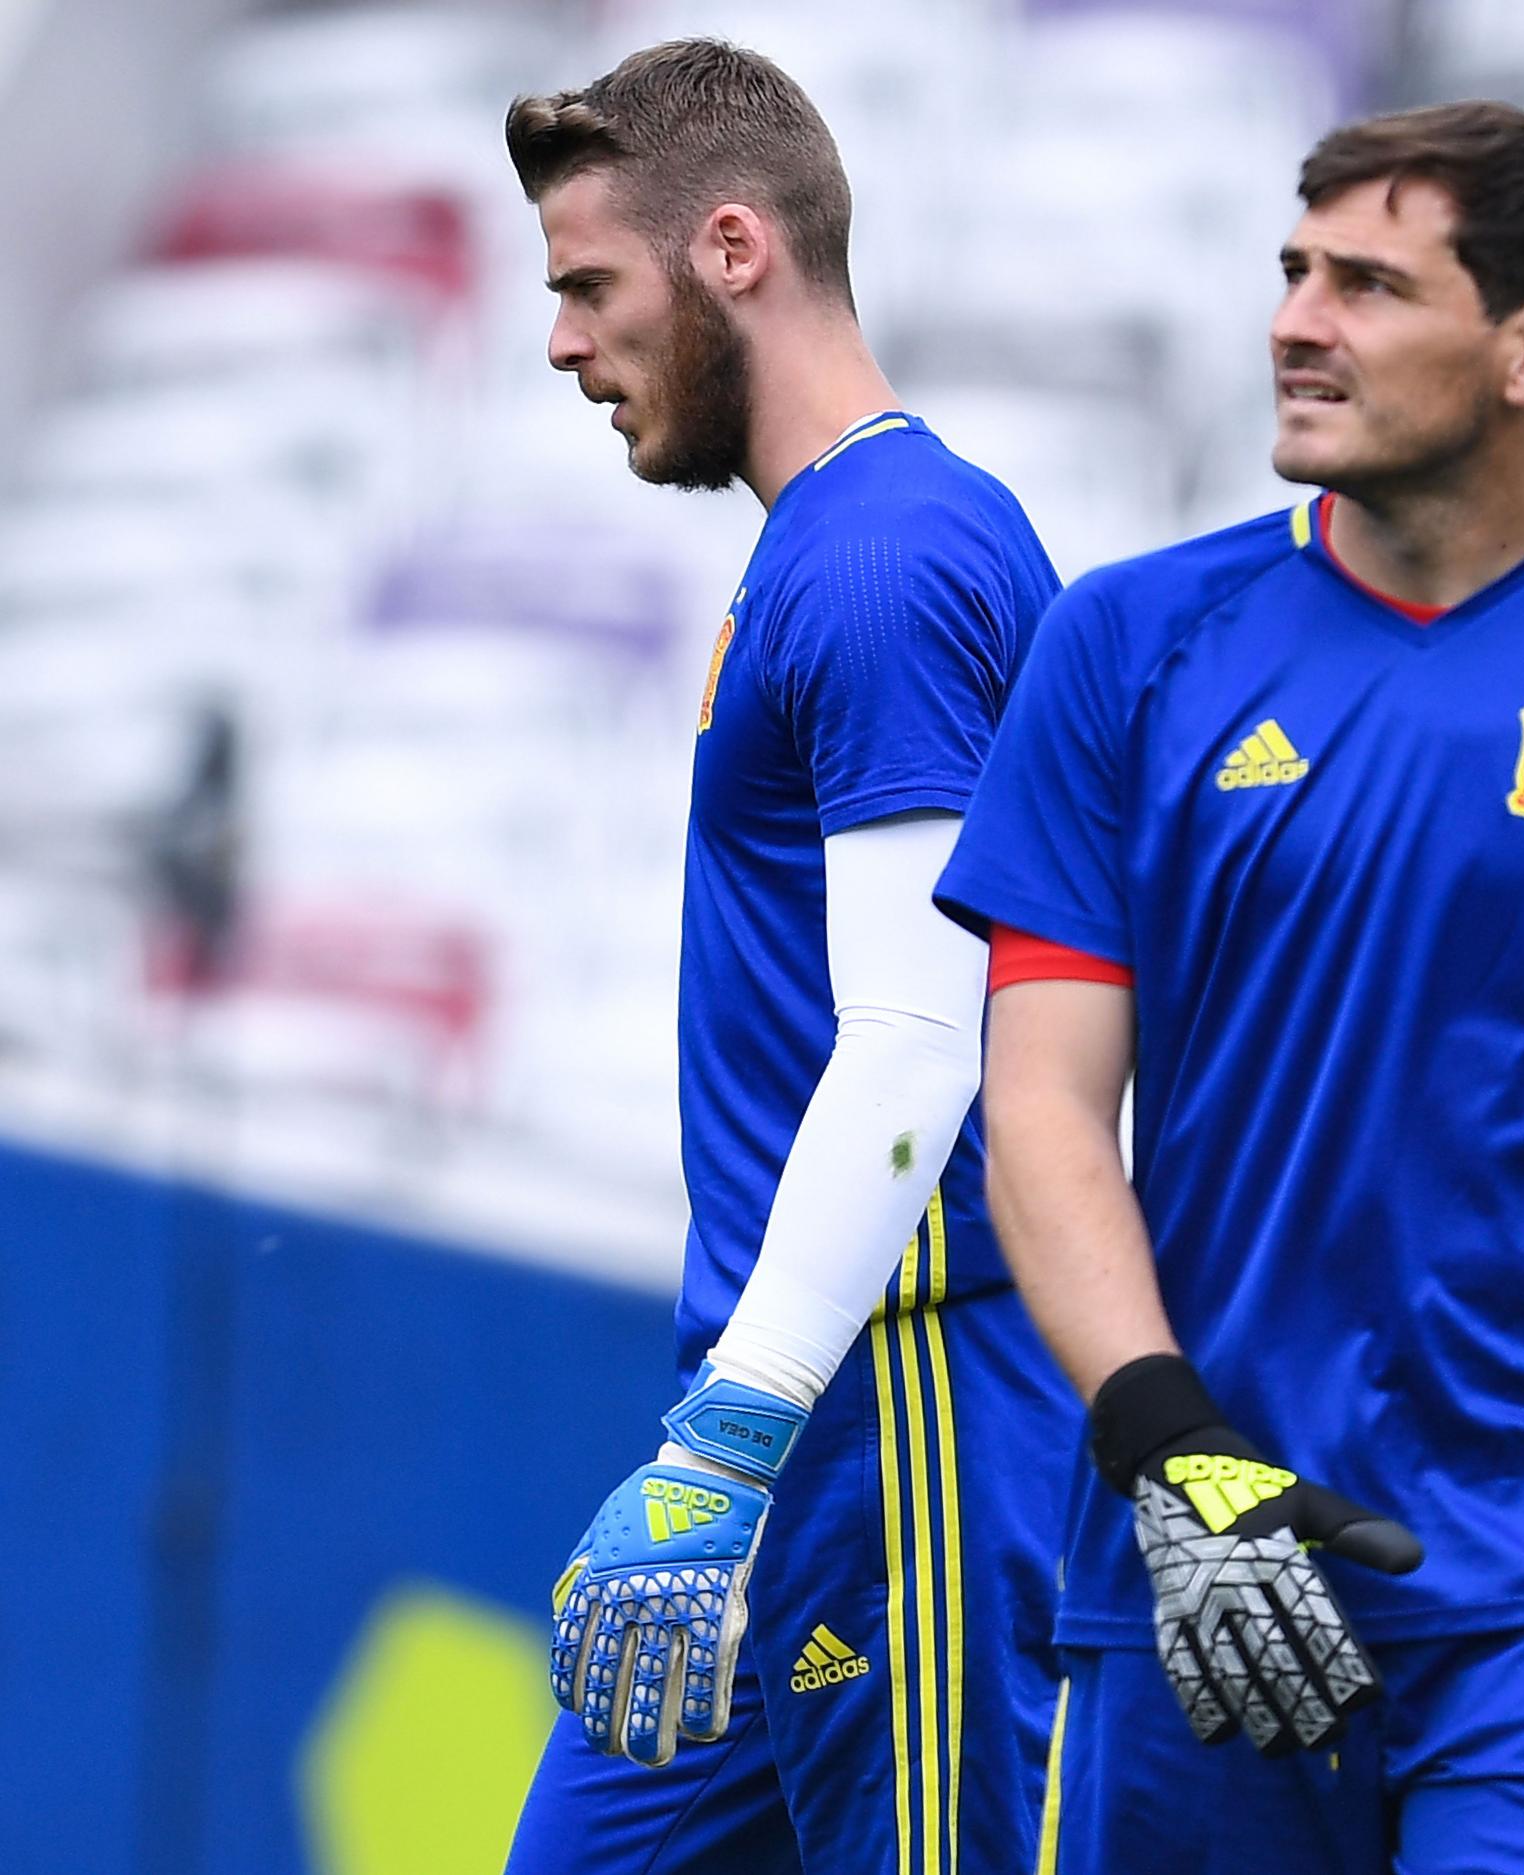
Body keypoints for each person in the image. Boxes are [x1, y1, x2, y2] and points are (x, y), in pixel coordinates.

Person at [936, 101, 1524, 1875]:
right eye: (1295, 273)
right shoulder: (1129, 650)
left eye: (1369, 284)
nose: (1298, 320)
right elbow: (1043, 1106)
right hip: (1207, 1546)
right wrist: (1170, 1447)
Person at [497, 39, 1072, 1875]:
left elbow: (923, 1035)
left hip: (895, 1409)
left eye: (592, 283)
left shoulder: (885, 564)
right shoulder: (840, 540)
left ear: (732, 247)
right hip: (805, 1414)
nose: (565, 341)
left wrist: (730, 1438)